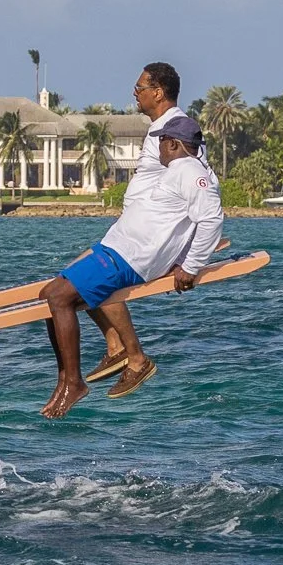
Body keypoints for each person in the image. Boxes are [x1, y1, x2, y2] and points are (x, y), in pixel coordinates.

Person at [38, 116, 222, 418]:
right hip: (117, 250)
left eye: (161, 141)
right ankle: (65, 380)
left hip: (129, 258)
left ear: (173, 143)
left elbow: (211, 219)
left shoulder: (191, 172)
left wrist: (191, 265)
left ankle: (74, 382)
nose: (158, 147)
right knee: (50, 294)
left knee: (58, 297)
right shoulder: (176, 171)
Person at [80, 61, 196, 388]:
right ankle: (115, 346)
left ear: (157, 92)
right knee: (75, 274)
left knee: (91, 280)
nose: (135, 92)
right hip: (132, 230)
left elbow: (200, 186)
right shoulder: (160, 126)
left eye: (140, 87)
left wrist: (188, 257)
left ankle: (136, 357)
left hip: (148, 238)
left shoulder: (178, 129)